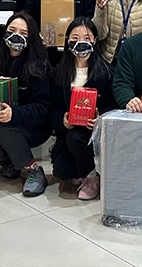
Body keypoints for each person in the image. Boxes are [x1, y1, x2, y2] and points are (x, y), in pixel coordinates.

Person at [0, 12, 52, 197]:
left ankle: (33, 170)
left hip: (34, 126)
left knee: (3, 129)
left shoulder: (38, 66)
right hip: (3, 123)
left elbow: (43, 107)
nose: (16, 36)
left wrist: (15, 113)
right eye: (12, 30)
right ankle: (16, 164)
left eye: (23, 33)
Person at [50, 18, 114, 200]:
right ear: (68, 41)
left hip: (93, 135)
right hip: (68, 132)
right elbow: (53, 106)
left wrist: (101, 119)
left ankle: (92, 176)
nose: (81, 43)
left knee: (76, 138)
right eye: (75, 38)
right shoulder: (59, 72)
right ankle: (82, 170)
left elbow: (114, 105)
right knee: (61, 170)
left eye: (87, 38)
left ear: (95, 41)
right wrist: (63, 121)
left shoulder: (107, 72)